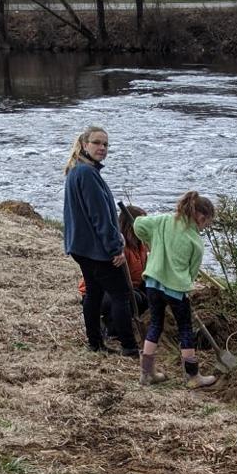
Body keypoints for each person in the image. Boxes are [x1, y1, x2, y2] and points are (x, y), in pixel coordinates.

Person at [62, 124, 139, 357]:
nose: (102, 148)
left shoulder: (79, 171)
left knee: (94, 294)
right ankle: (129, 346)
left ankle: (95, 343)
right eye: (97, 143)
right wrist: (115, 248)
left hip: (81, 246)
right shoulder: (87, 174)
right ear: (85, 145)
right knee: (120, 295)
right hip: (96, 249)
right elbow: (100, 216)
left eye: (106, 144)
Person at [133, 192, 218, 390]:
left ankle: (146, 374)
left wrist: (151, 241)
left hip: (153, 283)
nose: (204, 228)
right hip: (176, 289)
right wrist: (185, 288)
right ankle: (192, 376)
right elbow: (191, 273)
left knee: (155, 325)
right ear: (201, 218)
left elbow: (138, 224)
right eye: (206, 224)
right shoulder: (195, 242)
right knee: (185, 330)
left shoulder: (163, 221)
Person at [76, 202, 150, 341]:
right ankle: (108, 325)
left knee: (151, 295)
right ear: (131, 226)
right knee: (132, 299)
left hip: (130, 287)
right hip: (104, 292)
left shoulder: (142, 246)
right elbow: (112, 281)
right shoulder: (118, 248)